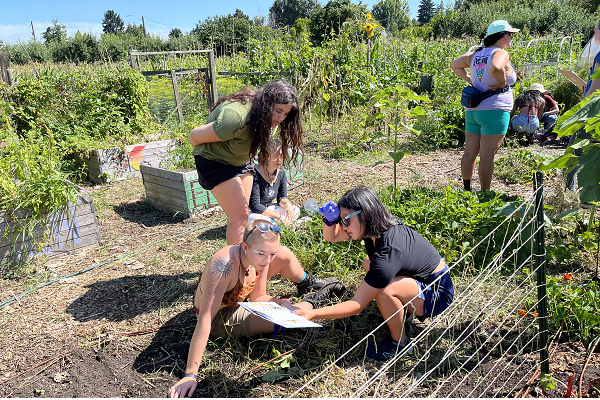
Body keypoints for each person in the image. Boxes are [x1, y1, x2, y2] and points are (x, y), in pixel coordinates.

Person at [168, 220, 345, 398]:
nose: (267, 260)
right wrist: (190, 374)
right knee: (280, 320)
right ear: (244, 246)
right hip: (217, 317)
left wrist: (280, 301)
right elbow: (205, 319)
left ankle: (308, 283)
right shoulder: (223, 266)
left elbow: (258, 297)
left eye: (271, 254)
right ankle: (317, 299)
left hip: (238, 300)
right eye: (261, 254)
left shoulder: (261, 256)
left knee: (284, 254)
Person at [294, 187, 454, 362]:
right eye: (340, 220)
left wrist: (313, 314)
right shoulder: (377, 227)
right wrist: (330, 222)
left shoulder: (388, 252)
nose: (343, 226)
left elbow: (357, 304)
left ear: (365, 214)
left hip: (437, 292)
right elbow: (332, 238)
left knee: (384, 291)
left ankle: (400, 344)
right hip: (423, 278)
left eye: (345, 221)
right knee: (368, 263)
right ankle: (401, 309)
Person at [189, 80, 303, 245]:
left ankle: (247, 254)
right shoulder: (235, 118)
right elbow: (194, 137)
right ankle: (235, 264)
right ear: (266, 102)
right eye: (278, 111)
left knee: (245, 214)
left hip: (241, 160)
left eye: (285, 114)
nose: (281, 118)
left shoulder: (264, 117)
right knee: (240, 215)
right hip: (214, 161)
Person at [450, 20, 519, 191]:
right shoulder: (500, 52)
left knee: (469, 153)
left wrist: (469, 79)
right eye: (509, 34)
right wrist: (502, 82)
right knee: (487, 157)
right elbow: (496, 67)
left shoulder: (476, 54)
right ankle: (484, 194)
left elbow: (455, 65)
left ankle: (467, 189)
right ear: (499, 36)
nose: (512, 37)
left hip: (473, 110)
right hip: (495, 110)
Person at [566, 19, 600, 192]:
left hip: (594, 110)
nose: (593, 34)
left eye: (595, 30)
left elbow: (596, 88)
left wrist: (581, 110)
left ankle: (568, 195)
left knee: (574, 153)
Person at [248, 138, 301, 224]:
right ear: (265, 155)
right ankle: (278, 222)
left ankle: (276, 223)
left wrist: (288, 205)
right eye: (276, 155)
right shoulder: (255, 173)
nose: (279, 159)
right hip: (252, 211)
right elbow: (255, 206)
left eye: (282, 156)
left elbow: (282, 197)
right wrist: (279, 217)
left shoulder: (281, 172)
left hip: (268, 208)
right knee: (257, 220)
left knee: (295, 210)